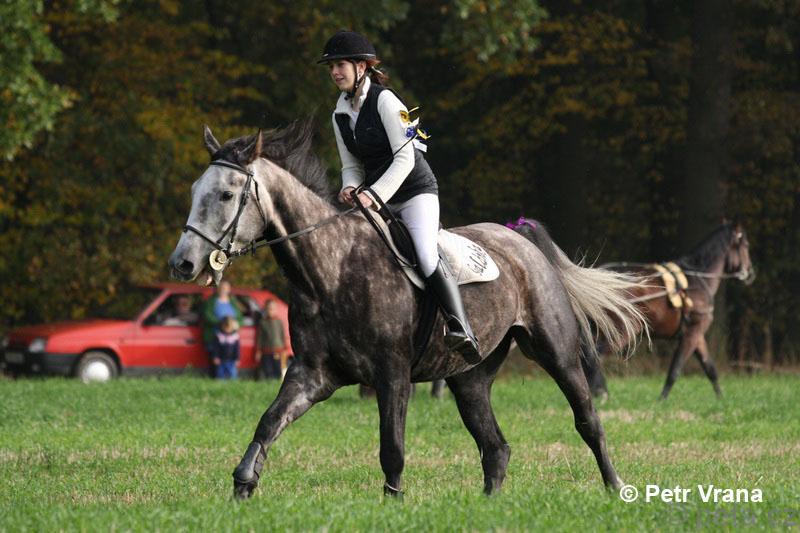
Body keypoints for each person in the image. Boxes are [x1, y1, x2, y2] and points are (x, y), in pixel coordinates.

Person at [319, 30, 480, 363]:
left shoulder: (387, 101)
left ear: (361, 67)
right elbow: (351, 165)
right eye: (331, 66)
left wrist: (373, 195)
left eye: (340, 65)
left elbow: (405, 158)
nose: (335, 72)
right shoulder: (339, 114)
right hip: (377, 199)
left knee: (425, 254)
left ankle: (460, 325)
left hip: (415, 192)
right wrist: (350, 185)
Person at [202, 281, 243, 376]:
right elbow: (207, 315)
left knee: (231, 364)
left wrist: (237, 324)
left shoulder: (233, 301)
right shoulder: (211, 301)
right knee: (216, 361)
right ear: (217, 289)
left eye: (225, 288)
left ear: (229, 289)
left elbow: (240, 318)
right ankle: (215, 379)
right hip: (215, 336)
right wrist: (222, 323)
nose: (223, 290)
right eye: (221, 287)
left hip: (231, 338)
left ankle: (231, 380)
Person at [254, 299, 288, 380]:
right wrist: (258, 351)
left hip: (278, 350)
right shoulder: (262, 322)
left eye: (272, 309)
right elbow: (260, 337)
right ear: (265, 309)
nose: (270, 311)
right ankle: (269, 381)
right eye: (268, 309)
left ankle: (276, 381)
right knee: (267, 369)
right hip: (266, 351)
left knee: (277, 368)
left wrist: (285, 348)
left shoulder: (279, 322)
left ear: (276, 309)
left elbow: (282, 335)